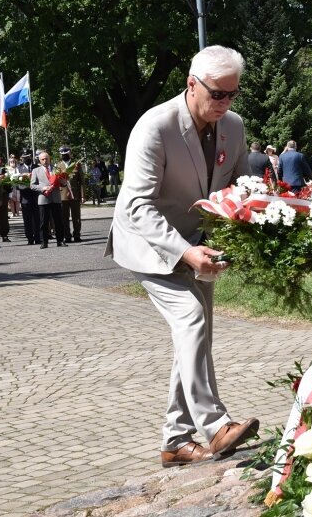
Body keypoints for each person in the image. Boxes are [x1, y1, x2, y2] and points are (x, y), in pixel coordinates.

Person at [105, 45, 259, 468]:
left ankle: (175, 441)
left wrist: (261, 223)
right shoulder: (154, 126)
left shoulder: (234, 125)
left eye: (233, 95)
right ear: (191, 84)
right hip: (149, 244)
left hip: (199, 244)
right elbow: (138, 206)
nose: (225, 104)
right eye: (217, 94)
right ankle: (215, 426)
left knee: (195, 335)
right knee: (191, 320)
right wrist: (187, 252)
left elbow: (240, 187)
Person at [30, 150, 67, 248]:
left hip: (55, 198)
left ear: (49, 159)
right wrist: (43, 188)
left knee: (58, 221)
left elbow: (63, 183)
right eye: (42, 159)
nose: (45, 161)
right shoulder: (35, 171)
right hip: (43, 198)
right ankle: (44, 242)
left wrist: (64, 182)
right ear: (40, 160)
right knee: (43, 222)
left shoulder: (56, 169)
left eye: (46, 158)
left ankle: (60, 241)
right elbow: (32, 185)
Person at [56, 146, 83, 243]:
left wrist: (83, 195)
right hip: (62, 196)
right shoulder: (58, 166)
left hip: (74, 195)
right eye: (62, 155)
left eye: (66, 154)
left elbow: (82, 181)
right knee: (64, 217)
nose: (64, 156)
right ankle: (67, 235)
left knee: (76, 217)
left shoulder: (76, 165)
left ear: (70, 154)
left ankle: (77, 235)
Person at [17, 152, 41, 245]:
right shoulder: (19, 169)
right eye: (25, 157)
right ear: (22, 158)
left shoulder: (37, 167)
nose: (27, 158)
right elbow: (15, 184)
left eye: (28, 157)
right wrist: (23, 184)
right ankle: (30, 238)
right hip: (25, 197)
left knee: (37, 218)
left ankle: (38, 237)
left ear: (31, 157)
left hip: (36, 196)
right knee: (27, 219)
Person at [0, 157, 11, 242]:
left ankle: (4, 235)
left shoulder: (5, 170)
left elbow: (9, 183)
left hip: (2, 195)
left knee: (3, 216)